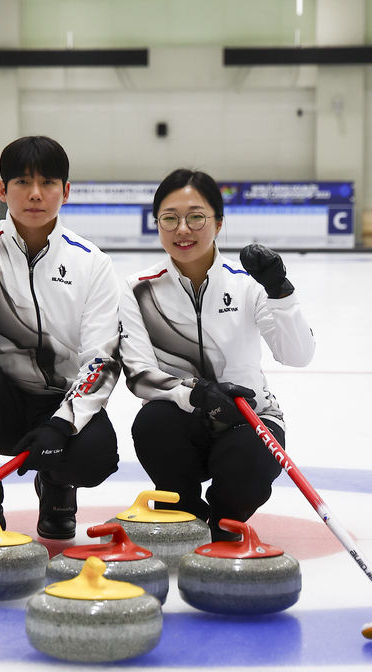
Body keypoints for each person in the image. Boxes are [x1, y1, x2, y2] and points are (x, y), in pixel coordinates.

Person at [118, 168, 315, 540]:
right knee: (152, 422)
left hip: (248, 418)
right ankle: (184, 511)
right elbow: (140, 374)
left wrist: (281, 291)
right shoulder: (138, 290)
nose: (183, 229)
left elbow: (297, 354)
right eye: (170, 218)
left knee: (252, 458)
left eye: (196, 217)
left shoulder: (249, 285)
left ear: (218, 223)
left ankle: (226, 518)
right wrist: (196, 394)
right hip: (181, 420)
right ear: (156, 223)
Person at [0, 135, 120, 539]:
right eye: (22, 182)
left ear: (66, 191)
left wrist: (63, 423)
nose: (35, 194)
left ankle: (57, 486)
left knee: (96, 457)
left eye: (48, 183)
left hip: (60, 403)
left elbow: (102, 359)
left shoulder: (91, 263)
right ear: (2, 191)